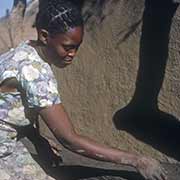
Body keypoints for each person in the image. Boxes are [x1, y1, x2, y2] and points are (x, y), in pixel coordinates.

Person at [0, 0, 167, 180]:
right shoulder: (34, 72)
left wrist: (38, 140)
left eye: (77, 47)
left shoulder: (24, 49)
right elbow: (69, 139)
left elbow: (9, 108)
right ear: (44, 36)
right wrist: (137, 160)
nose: (73, 54)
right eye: (68, 47)